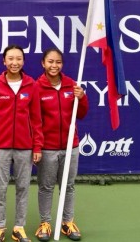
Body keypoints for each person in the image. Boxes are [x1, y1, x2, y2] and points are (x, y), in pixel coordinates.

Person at [0, 45, 43, 242]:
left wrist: (36, 146)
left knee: (23, 188)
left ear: (23, 61)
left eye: (18, 59)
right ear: (4, 61)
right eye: (10, 58)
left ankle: (19, 227)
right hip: (0, 147)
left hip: (25, 147)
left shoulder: (31, 85)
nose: (14, 62)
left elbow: (36, 119)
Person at [34, 48, 89, 242]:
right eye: (50, 62)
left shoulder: (72, 86)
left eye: (58, 62)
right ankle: (45, 223)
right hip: (47, 148)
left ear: (62, 64)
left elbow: (81, 114)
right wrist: (38, 146)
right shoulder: (36, 87)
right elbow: (34, 121)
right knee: (46, 187)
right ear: (43, 63)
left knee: (69, 186)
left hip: (70, 146)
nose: (54, 65)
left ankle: (67, 222)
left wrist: (81, 98)